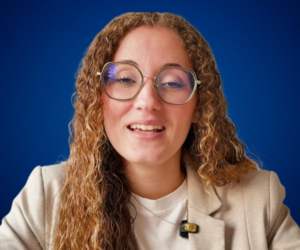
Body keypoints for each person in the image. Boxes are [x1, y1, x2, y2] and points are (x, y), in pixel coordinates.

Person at [0, 12, 299, 250]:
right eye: (126, 79)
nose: (147, 102)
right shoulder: (44, 197)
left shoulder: (260, 201)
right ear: (99, 99)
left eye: (172, 83)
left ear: (199, 106)